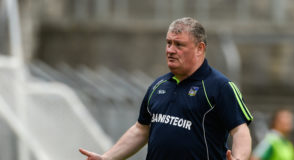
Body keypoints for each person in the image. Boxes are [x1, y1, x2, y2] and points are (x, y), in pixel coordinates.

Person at [79, 17, 253, 160]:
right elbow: (141, 129)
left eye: (179, 45)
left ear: (200, 48)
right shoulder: (158, 86)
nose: (170, 50)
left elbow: (240, 130)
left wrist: (239, 158)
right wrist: (107, 157)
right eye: (168, 43)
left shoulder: (220, 86)